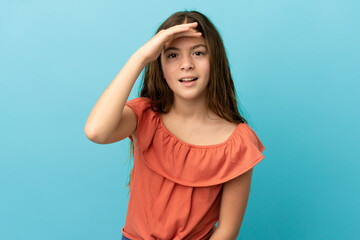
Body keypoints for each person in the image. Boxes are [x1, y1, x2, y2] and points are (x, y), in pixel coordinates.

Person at [85, 10, 265, 240]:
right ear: (159, 65)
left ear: (215, 60)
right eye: (172, 55)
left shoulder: (238, 142)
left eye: (198, 53)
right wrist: (140, 57)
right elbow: (95, 131)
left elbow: (227, 231)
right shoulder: (145, 115)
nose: (186, 65)